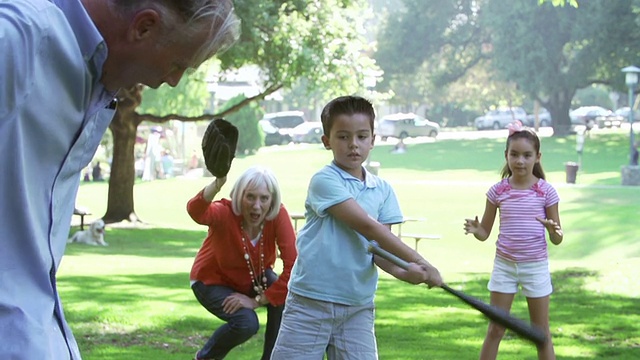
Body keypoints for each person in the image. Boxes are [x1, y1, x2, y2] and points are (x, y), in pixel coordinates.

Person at [0, 1, 239, 358]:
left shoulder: (92, 78)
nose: (172, 81)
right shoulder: (18, 38)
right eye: (177, 65)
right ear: (144, 26)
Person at [271, 96, 443, 360]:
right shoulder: (324, 181)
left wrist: (406, 272)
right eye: (343, 137)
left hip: (357, 308)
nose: (353, 144)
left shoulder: (383, 190)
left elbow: (378, 250)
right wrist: (420, 260)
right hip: (310, 303)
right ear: (326, 141)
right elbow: (368, 228)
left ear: (373, 139)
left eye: (362, 136)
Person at [463, 124, 563, 360]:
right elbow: (485, 232)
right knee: (496, 328)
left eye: (527, 155)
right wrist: (477, 230)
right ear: (506, 156)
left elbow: (557, 239)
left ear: (537, 157)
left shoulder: (546, 192)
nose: (520, 161)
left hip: (535, 267)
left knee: (540, 333)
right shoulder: (497, 191)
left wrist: (553, 230)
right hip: (504, 267)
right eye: (514, 155)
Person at [187, 166, 298, 360]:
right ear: (240, 196)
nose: (256, 206)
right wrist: (217, 184)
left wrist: (256, 301)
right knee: (247, 323)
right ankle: (205, 357)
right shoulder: (224, 212)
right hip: (211, 281)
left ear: (272, 200)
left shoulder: (277, 215)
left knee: (282, 295)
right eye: (250, 197)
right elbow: (196, 211)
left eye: (264, 198)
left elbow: (295, 267)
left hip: (251, 279)